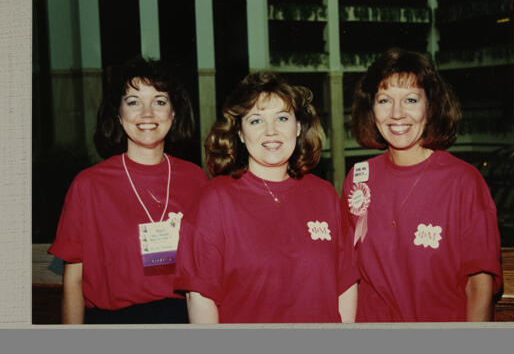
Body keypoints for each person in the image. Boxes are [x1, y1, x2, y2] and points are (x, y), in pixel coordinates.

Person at [174, 71, 359, 323]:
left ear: (298, 127)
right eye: (256, 121)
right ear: (240, 133)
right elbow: (200, 297)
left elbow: (346, 282)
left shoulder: (323, 193)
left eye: (282, 118)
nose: (271, 131)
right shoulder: (214, 200)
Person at [342, 48, 503, 322]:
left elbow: (479, 286)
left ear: (431, 106)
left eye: (411, 100)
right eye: (384, 100)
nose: (396, 114)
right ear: (371, 108)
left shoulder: (463, 181)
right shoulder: (358, 178)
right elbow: (347, 276)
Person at [48, 56, 208, 324]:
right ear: (118, 114)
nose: (148, 113)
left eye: (159, 101)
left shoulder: (196, 179)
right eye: (134, 102)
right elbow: (73, 282)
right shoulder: (89, 186)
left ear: (174, 112)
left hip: (184, 320)